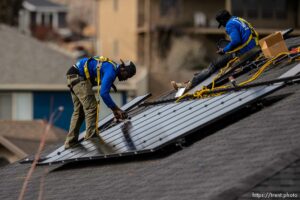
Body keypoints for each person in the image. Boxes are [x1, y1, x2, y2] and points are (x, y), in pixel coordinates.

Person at [172, 9, 258, 91]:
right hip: (253, 48)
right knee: (218, 66)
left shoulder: (230, 24)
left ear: (223, 20)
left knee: (214, 65)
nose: (223, 25)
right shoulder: (237, 19)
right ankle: (192, 79)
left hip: (244, 52)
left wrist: (224, 50)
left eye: (221, 23)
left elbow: (236, 41)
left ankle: (189, 84)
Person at [64, 56, 136, 149]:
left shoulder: (111, 66)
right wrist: (116, 109)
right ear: (122, 68)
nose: (126, 78)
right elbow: (104, 94)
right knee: (92, 107)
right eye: (127, 75)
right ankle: (91, 137)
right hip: (79, 77)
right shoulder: (111, 71)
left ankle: (71, 142)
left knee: (79, 111)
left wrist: (115, 111)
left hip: (73, 76)